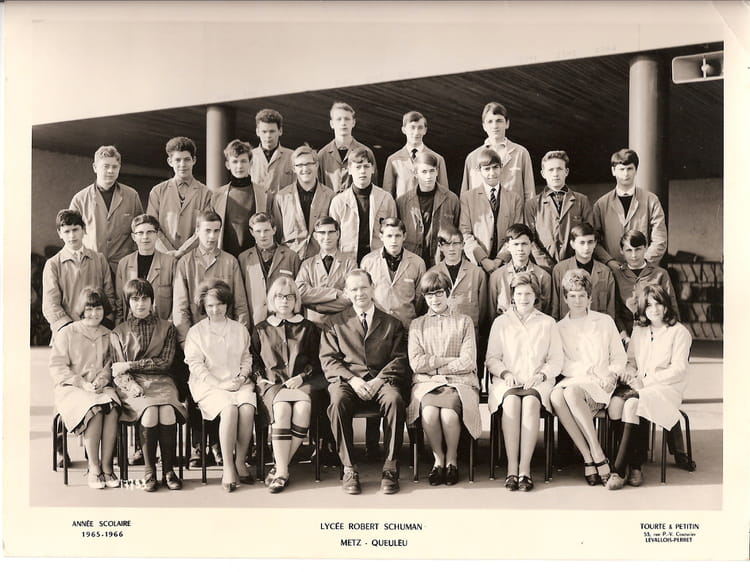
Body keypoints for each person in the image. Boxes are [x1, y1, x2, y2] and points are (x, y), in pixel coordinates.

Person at [173, 209, 250, 467]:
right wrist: (187, 344)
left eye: (216, 231)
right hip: (197, 342)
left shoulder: (229, 261)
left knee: (231, 394)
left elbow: (240, 304)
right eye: (207, 230)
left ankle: (221, 447)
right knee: (198, 389)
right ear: (197, 232)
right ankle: (198, 446)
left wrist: (240, 337)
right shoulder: (185, 263)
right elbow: (181, 309)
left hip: (227, 340)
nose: (212, 236)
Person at [320, 269, 408, 495]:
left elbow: (400, 359)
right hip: (349, 382)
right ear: (346, 293)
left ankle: (390, 467)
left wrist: (379, 380)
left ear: (373, 288)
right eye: (354, 289)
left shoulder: (391, 323)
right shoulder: (334, 323)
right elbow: (329, 360)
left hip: (382, 380)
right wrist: (352, 380)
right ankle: (349, 468)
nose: (360, 293)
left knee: (395, 400)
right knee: (337, 401)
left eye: (364, 287)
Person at [606, 284, 692, 489]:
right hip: (640, 386)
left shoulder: (679, 332)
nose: (654, 309)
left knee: (631, 405)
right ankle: (631, 462)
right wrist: (629, 373)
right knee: (615, 405)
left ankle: (623, 469)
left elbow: (679, 370)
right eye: (649, 305)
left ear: (666, 306)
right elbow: (631, 361)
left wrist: (646, 382)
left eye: (658, 304)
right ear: (643, 309)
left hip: (666, 388)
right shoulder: (639, 331)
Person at [485, 272, 563, 492]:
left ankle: (525, 469)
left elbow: (556, 359)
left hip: (537, 382)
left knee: (530, 403)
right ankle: (512, 468)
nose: (523, 298)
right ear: (512, 296)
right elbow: (492, 358)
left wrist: (542, 375)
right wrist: (505, 373)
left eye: (528, 293)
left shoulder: (548, 323)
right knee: (511, 403)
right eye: (519, 294)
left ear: (536, 295)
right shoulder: (501, 323)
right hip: (508, 381)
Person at [110, 279, 187, 492]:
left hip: (163, 380)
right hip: (133, 384)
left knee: (168, 412)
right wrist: (131, 384)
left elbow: (165, 363)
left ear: (152, 301)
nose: (140, 303)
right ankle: (149, 470)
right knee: (151, 411)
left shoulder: (167, 327)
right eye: (135, 299)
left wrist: (131, 364)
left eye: (145, 298)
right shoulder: (118, 332)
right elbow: (118, 370)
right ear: (128, 302)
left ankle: (169, 470)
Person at [550, 269, 626, 486]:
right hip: (575, 378)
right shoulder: (559, 327)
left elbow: (619, 356)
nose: (577, 300)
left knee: (570, 393)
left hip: (601, 383)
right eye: (572, 296)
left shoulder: (605, 321)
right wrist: (588, 369)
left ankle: (594, 454)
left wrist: (611, 375)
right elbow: (562, 362)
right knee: (556, 396)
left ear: (590, 297)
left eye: (582, 295)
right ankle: (591, 454)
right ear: (565, 298)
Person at [407, 271, 480, 486]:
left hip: (459, 382)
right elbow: (416, 363)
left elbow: (468, 361)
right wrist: (447, 362)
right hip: (427, 384)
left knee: (448, 415)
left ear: (448, 293)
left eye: (439, 293)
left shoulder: (464, 322)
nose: (435, 299)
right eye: (429, 295)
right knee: (429, 414)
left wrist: (435, 367)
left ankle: (452, 459)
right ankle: (438, 458)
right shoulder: (417, 324)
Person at [251, 277, 324, 493]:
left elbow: (318, 360)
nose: (284, 301)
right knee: (282, 409)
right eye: (279, 296)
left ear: (296, 300)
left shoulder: (309, 328)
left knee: (302, 409)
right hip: (272, 384)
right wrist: (260, 378)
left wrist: (302, 376)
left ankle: (279, 468)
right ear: (272, 300)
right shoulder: (261, 329)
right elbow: (254, 360)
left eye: (289, 297)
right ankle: (283, 470)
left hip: (303, 382)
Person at [184, 279, 256, 492]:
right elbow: (195, 365)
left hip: (237, 382)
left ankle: (240, 461)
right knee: (229, 409)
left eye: (220, 304)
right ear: (203, 307)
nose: (215, 310)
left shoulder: (239, 329)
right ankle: (228, 467)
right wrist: (219, 384)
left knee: (247, 408)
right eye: (210, 305)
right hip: (208, 385)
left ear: (227, 304)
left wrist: (241, 378)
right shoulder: (196, 332)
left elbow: (246, 358)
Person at [48, 287, 121, 489]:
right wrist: (81, 383)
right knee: (94, 410)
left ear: (104, 310)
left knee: (112, 408)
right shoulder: (67, 332)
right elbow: (57, 366)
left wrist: (102, 380)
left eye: (98, 308)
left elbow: (111, 364)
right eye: (89, 309)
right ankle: (94, 467)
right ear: (81, 310)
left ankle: (107, 467)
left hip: (100, 387)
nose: (93, 313)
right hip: (72, 388)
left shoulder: (109, 335)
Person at [43, 209, 116, 343]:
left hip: (97, 332)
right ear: (60, 233)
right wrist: (71, 328)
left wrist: (101, 324)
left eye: (75, 229)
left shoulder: (99, 259)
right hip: (67, 334)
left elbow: (109, 296)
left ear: (83, 230)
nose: (72, 236)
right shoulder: (53, 264)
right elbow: (50, 304)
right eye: (66, 231)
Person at [69, 145, 144, 275]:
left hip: (124, 268)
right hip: (91, 268)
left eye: (115, 167)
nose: (110, 171)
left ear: (119, 168)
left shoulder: (132, 196)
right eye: (106, 166)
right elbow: (71, 236)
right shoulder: (80, 199)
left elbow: (141, 231)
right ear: (95, 167)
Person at [593, 148, 668, 270]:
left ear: (636, 170)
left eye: (629, 169)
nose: (626, 174)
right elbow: (594, 240)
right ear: (613, 171)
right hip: (612, 271)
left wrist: (643, 262)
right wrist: (609, 262)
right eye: (621, 169)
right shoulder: (601, 205)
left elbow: (660, 239)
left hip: (643, 271)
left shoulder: (651, 200)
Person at [523, 150, 593, 273]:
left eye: (559, 169)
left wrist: (573, 262)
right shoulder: (532, 205)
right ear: (543, 173)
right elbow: (530, 239)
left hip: (575, 267)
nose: (555, 174)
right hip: (544, 269)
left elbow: (588, 235)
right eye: (550, 170)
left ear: (566, 172)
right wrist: (547, 265)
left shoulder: (581, 201)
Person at [147, 136, 212, 260]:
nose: (182, 165)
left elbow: (205, 228)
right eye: (178, 160)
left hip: (193, 259)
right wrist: (168, 253)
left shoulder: (206, 193)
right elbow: (152, 227)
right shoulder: (157, 191)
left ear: (194, 160)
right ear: (170, 161)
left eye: (187, 159)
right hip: (162, 258)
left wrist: (182, 251)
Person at [459, 148, 523, 273]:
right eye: (487, 169)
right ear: (479, 170)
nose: (492, 173)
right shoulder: (467, 198)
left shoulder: (514, 198)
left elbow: (517, 233)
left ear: (501, 167)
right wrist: (483, 259)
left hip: (505, 265)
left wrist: (500, 259)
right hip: (477, 265)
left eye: (495, 167)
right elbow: (465, 233)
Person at [328, 147, 396, 263]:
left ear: (373, 169)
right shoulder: (339, 201)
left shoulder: (386, 198)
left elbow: (393, 232)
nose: (362, 171)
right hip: (347, 261)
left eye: (366, 166)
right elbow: (333, 236)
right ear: (349, 170)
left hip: (378, 260)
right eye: (358, 167)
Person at [611, 230, 679, 342]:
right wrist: (624, 337)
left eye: (638, 249)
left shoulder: (660, 274)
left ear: (646, 248)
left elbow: (672, 308)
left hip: (657, 336)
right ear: (621, 251)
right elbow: (614, 312)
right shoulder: (616, 275)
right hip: (627, 337)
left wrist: (668, 335)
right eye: (629, 250)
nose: (634, 255)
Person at [459, 102, 535, 203]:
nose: (495, 126)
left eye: (499, 121)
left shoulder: (521, 153)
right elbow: (464, 197)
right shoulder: (472, 157)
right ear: (484, 126)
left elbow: (530, 193)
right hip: (481, 212)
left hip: (513, 211)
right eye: (490, 121)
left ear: (507, 123)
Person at [396, 150, 460, 268]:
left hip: (441, 262)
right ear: (415, 173)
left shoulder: (451, 199)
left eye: (432, 171)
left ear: (437, 172)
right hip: (410, 262)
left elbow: (457, 231)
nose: (428, 176)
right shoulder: (402, 202)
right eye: (424, 172)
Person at [271, 144, 336, 260]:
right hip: (290, 259)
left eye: (309, 164)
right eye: (300, 165)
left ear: (316, 165)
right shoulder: (281, 197)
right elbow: (277, 233)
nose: (305, 169)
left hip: (320, 258)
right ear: (293, 169)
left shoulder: (330, 196)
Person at [360, 217, 426, 329]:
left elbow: (420, 298)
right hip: (377, 327)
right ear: (381, 237)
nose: (393, 241)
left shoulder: (417, 263)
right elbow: (364, 294)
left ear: (404, 236)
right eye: (389, 236)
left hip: (406, 326)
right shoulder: (368, 261)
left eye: (397, 236)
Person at [238, 212, 301, 326]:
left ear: (274, 230)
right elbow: (240, 297)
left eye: (266, 230)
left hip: (285, 323)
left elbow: (298, 292)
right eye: (258, 231)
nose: (263, 235)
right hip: (256, 322)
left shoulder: (291, 256)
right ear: (252, 232)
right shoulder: (244, 259)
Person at [295, 216, 357, 328]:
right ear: (315, 236)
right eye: (322, 233)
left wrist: (316, 306)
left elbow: (350, 297)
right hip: (314, 326)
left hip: (342, 325)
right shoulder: (307, 264)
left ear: (338, 234)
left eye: (331, 232)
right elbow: (300, 294)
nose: (327, 237)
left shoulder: (349, 263)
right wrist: (335, 293)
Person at [115, 214, 177, 324]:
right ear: (133, 237)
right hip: (131, 326)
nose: (145, 237)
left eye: (150, 232)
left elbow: (177, 301)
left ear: (157, 235)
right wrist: (120, 327)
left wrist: (169, 326)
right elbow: (119, 303)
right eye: (140, 233)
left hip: (161, 326)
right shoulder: (124, 264)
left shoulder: (170, 263)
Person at [211, 138, 266, 257]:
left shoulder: (264, 194)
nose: (239, 166)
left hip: (255, 257)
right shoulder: (217, 195)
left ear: (250, 163)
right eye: (235, 162)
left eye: (243, 161)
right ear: (228, 165)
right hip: (225, 257)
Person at [551, 222, 615, 320]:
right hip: (569, 326)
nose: (586, 247)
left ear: (595, 243)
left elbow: (611, 309)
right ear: (572, 244)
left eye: (590, 242)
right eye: (582, 243)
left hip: (597, 326)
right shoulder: (560, 270)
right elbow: (555, 308)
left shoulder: (605, 272)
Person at [488, 223, 552, 317]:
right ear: (508, 247)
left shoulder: (543, 276)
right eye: (516, 244)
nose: (520, 249)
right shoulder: (497, 277)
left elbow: (546, 310)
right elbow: (491, 313)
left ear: (531, 245)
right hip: (506, 324)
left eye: (524, 244)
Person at [383, 111, 449, 199]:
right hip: (402, 207)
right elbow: (387, 196)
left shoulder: (438, 159)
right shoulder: (393, 160)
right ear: (404, 130)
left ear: (425, 130)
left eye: (420, 127)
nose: (416, 132)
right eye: (412, 127)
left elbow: (444, 194)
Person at [317, 101, 379, 193]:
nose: (343, 123)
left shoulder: (366, 152)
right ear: (332, 124)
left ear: (353, 122)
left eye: (347, 119)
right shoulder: (322, 155)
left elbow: (374, 188)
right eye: (339, 119)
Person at [250, 109, 295, 202]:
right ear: (257, 132)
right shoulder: (248, 157)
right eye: (264, 131)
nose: (268, 136)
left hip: (283, 209)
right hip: (256, 210)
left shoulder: (292, 157)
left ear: (280, 131)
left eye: (272, 131)